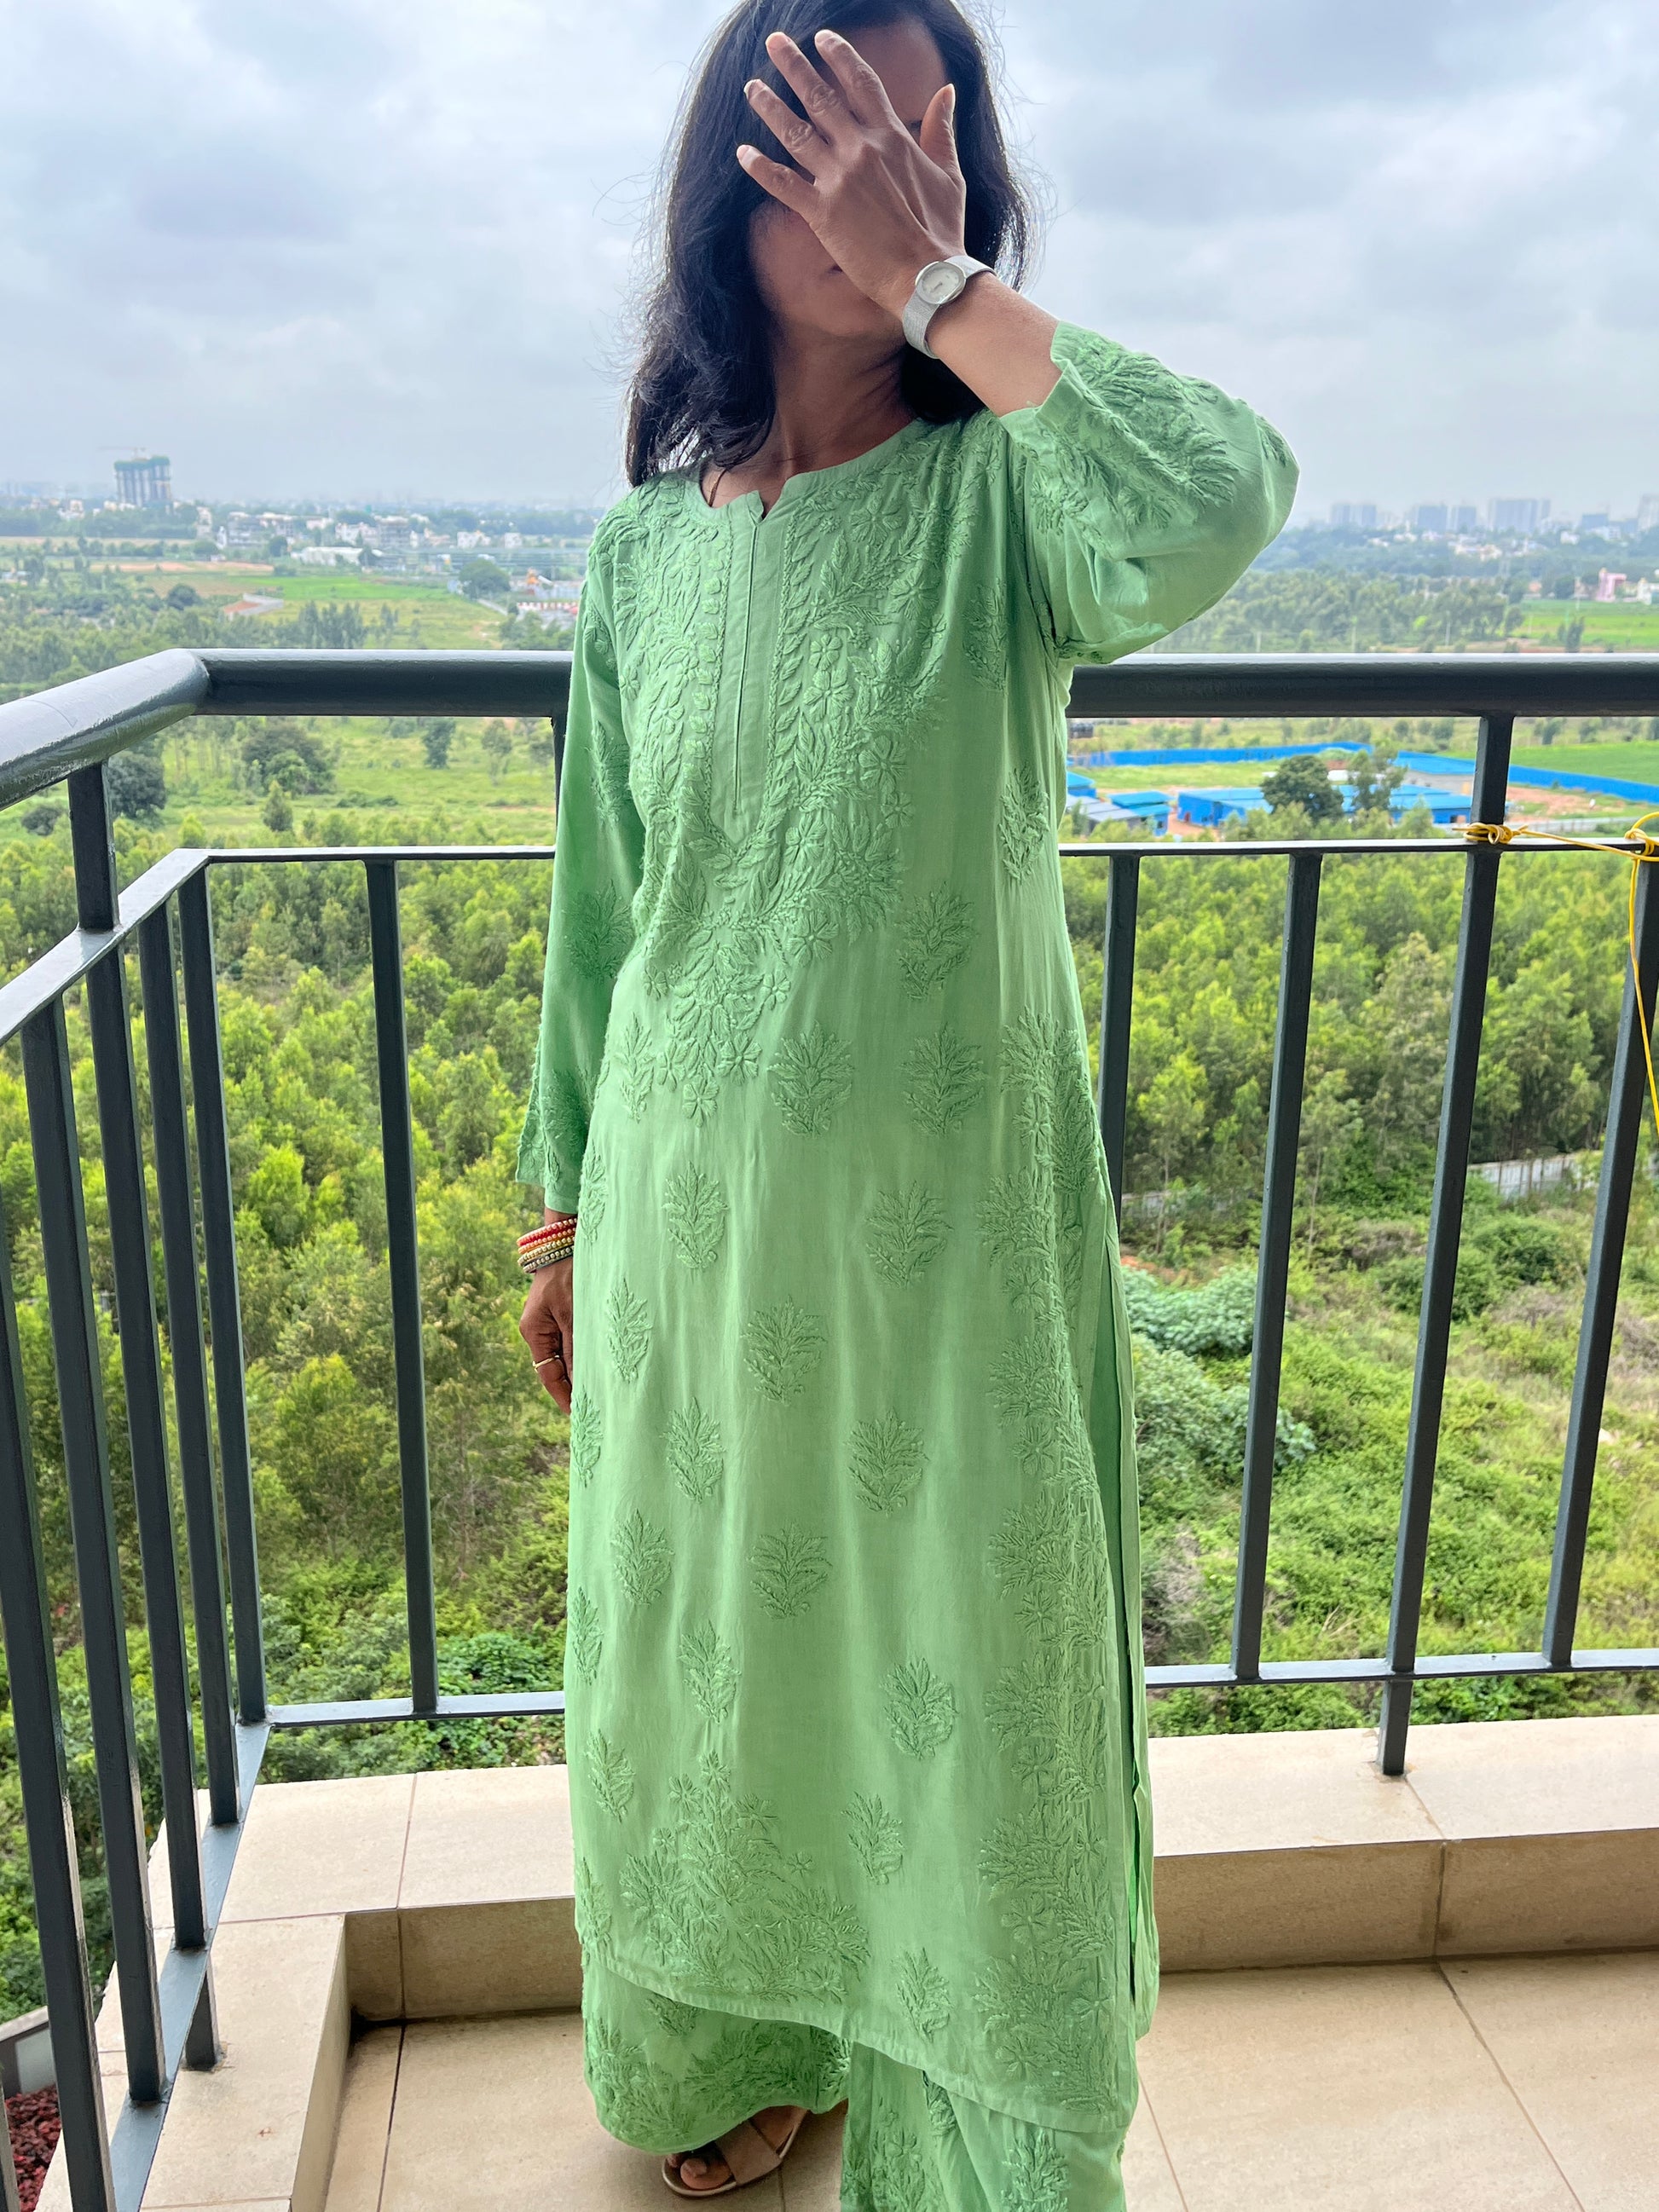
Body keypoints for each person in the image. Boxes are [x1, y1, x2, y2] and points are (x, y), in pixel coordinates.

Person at [517, 1, 1297, 2199]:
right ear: (727, 184)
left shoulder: (1005, 503)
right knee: (712, 1650)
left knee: (961, 1664)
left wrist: (940, 284)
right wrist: (562, 1207)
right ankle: (743, 2039)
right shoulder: (643, 556)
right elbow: (605, 914)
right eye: (827, 129)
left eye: (920, 139)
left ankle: (969, 2125)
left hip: (945, 1242)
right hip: (688, 1221)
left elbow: (1223, 493)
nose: (874, 176)